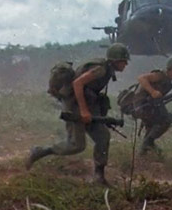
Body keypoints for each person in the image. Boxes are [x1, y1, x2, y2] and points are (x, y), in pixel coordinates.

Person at [25, 43, 131, 186]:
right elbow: (77, 84)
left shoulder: (106, 69)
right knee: (76, 145)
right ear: (116, 60)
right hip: (75, 105)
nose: (125, 64)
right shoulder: (100, 69)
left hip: (86, 104)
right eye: (124, 61)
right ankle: (39, 151)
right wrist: (83, 110)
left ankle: (99, 177)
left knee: (103, 136)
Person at [119, 56, 172, 155]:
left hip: (146, 107)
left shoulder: (166, 80)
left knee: (152, 126)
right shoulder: (160, 75)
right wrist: (153, 92)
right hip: (141, 106)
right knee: (166, 120)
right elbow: (141, 78)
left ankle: (144, 151)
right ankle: (148, 143)